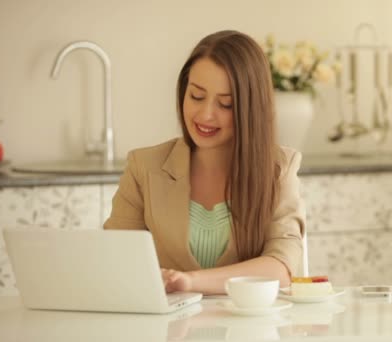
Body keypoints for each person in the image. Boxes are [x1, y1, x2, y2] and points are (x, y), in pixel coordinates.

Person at [103, 30, 305, 295]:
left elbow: (281, 268)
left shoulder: (278, 168)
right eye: (196, 96)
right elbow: (114, 258)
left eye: (226, 104)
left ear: (250, 110)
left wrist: (190, 281)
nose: (206, 115)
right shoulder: (145, 167)